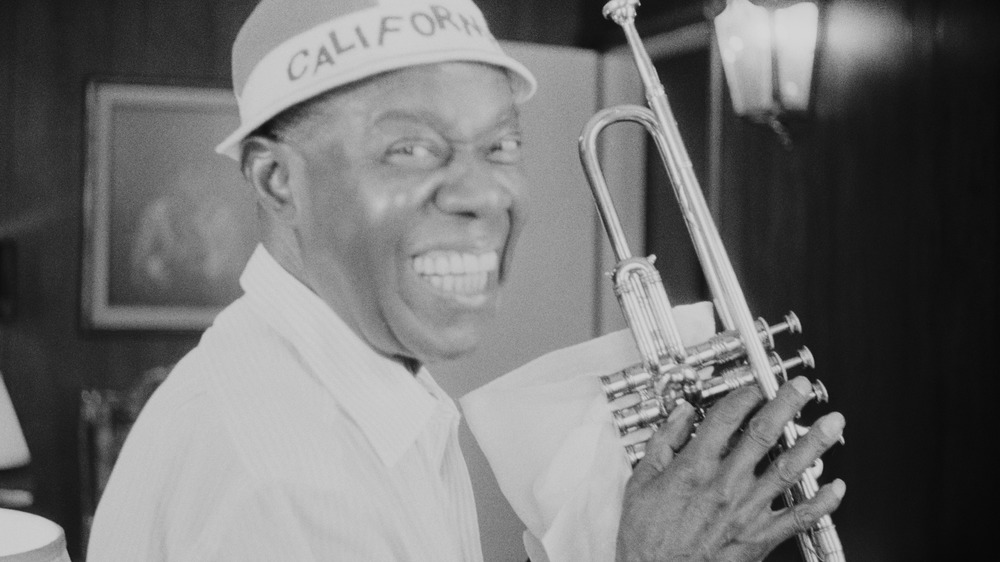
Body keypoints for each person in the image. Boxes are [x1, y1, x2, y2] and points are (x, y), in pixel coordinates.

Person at [86, 0, 846, 560]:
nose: (483, 194)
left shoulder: (348, 387)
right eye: (410, 148)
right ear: (278, 181)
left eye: (501, 144)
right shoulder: (296, 489)